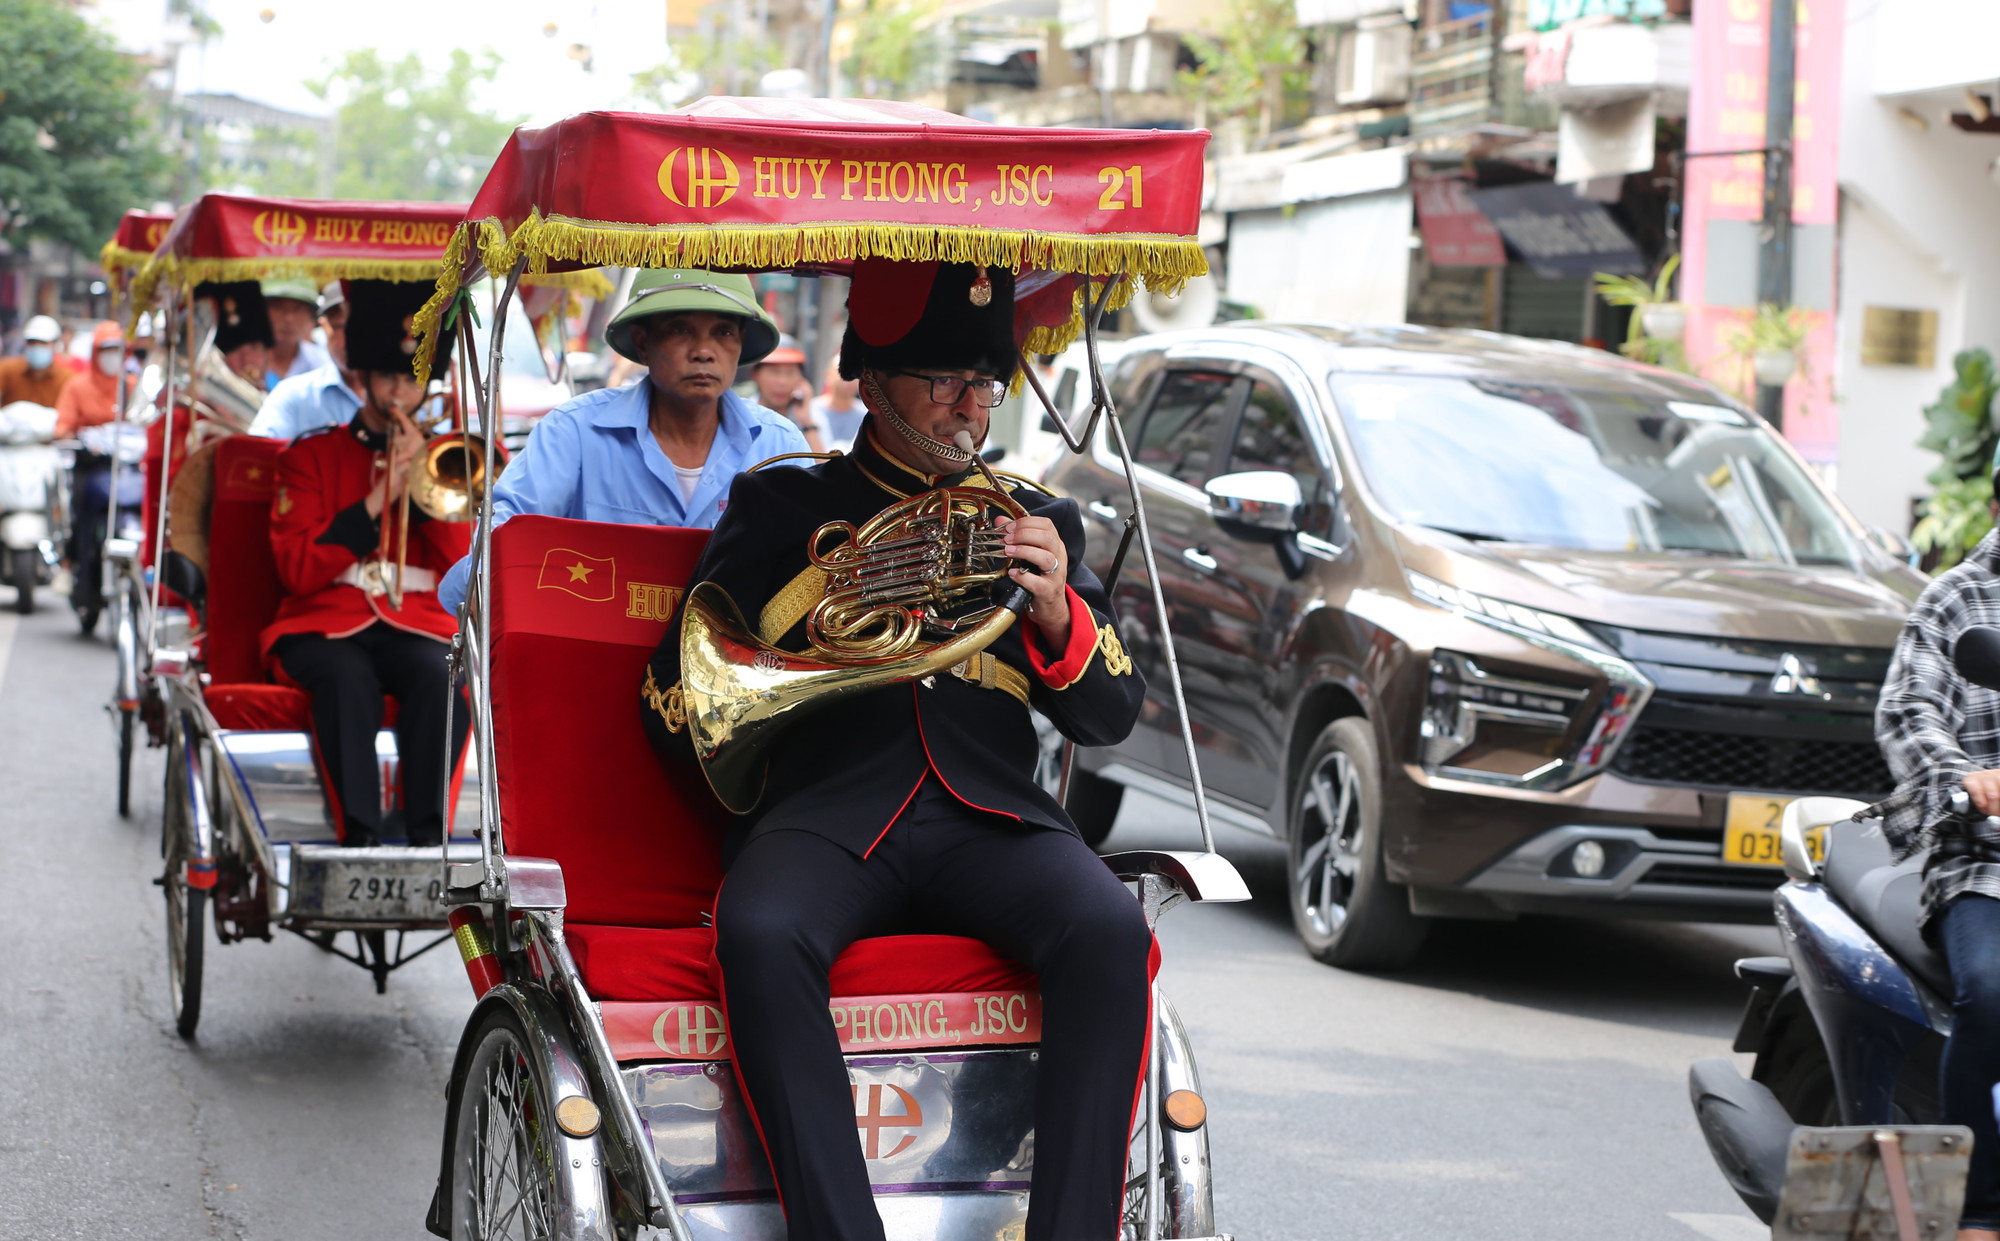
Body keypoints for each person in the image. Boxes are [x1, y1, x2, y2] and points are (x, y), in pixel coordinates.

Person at [641, 259, 1149, 1241]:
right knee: (759, 928)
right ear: (869, 379)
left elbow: (1112, 711)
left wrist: (1053, 609)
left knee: (1106, 929)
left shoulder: (1035, 517)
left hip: (989, 811)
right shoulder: (783, 508)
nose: (969, 405)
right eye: (942, 380)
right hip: (831, 812)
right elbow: (677, 699)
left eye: (983, 383)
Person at [437, 268, 808, 613]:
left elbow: (812, 569)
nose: (704, 351)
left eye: (723, 332)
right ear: (642, 343)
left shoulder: (779, 443)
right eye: (681, 330)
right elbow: (496, 550)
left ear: (740, 346)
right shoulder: (574, 433)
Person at [262, 280, 470, 848]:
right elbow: (299, 570)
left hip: (417, 623)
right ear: (364, 379)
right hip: (324, 620)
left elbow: (464, 568)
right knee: (345, 679)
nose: (401, 391)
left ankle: (431, 844)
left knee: (442, 676)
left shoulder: (449, 459)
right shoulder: (311, 456)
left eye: (412, 378)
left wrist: (422, 487)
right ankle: (359, 840)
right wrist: (380, 500)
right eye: (388, 377)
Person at [1876, 467, 2000, 1241]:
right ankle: (1978, 1208)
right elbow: (1909, 708)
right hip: (1984, 859)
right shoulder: (1959, 599)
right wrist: (1967, 777)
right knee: (1991, 992)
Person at [252, 282, 364, 440]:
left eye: (363, 326)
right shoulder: (291, 393)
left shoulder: (405, 394)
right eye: (340, 326)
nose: (289, 318)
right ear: (323, 325)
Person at [750, 333, 823, 451]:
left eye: (790, 373)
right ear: (756, 375)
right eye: (774, 372)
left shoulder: (813, 415)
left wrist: (807, 423)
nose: (782, 381)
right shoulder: (743, 414)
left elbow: (825, 466)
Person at [262, 277, 333, 388]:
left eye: (298, 309)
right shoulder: (243, 358)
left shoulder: (323, 365)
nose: (289, 318)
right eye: (279, 307)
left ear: (311, 315)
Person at [0, 315, 78, 408]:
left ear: (55, 344)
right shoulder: (8, 370)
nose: (37, 347)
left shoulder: (66, 378)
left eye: (43, 343)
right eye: (32, 342)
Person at [809, 355, 865, 453]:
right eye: (843, 372)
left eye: (855, 374)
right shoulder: (809, 411)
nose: (849, 379)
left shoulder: (867, 415)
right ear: (827, 376)